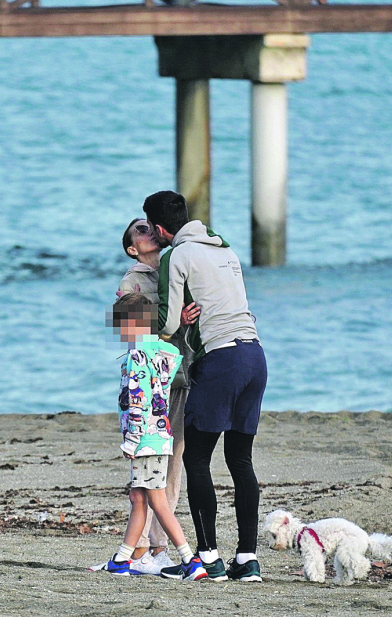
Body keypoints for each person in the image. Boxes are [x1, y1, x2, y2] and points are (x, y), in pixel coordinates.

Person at [144, 190, 268, 583]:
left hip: (221, 360)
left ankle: (208, 558)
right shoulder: (226, 251)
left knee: (196, 459)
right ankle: (247, 560)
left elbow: (165, 324)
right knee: (240, 460)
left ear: (162, 228)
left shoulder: (175, 256)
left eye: (151, 228)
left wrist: (171, 318)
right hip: (255, 356)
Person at [102, 292, 207, 581]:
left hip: (145, 438)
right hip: (161, 437)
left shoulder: (137, 355)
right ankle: (122, 559)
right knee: (139, 496)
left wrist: (131, 440)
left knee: (157, 501)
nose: (119, 332)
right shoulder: (164, 353)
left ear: (134, 324)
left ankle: (190, 559)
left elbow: (138, 400)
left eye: (121, 325)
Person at [115, 218, 200, 574]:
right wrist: (174, 321)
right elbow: (134, 333)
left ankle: (151, 549)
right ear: (132, 248)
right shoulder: (131, 282)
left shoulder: (175, 265)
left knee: (171, 463)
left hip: (180, 374)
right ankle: (152, 548)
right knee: (153, 475)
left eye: (150, 226)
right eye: (139, 230)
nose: (148, 231)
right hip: (155, 390)